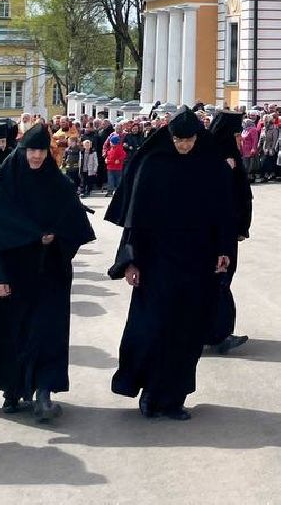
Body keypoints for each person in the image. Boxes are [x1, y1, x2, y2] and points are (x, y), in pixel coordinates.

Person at [107, 108, 235, 419]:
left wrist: (223, 251)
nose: (184, 146)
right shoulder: (153, 164)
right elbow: (135, 220)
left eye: (189, 140)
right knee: (153, 328)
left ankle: (175, 397)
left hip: (197, 261)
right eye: (179, 140)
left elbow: (223, 213)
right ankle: (150, 392)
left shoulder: (209, 164)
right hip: (157, 263)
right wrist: (130, 262)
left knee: (188, 331)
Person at [0, 123, 95, 421]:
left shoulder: (58, 184)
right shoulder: (6, 185)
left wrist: (55, 239)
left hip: (50, 272)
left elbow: (74, 227)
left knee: (47, 332)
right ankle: (12, 390)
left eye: (41, 151)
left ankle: (44, 393)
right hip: (13, 275)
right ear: (22, 151)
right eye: (31, 151)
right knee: (13, 334)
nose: (36, 157)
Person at [203, 111, 252, 356]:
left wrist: (241, 228)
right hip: (217, 235)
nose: (240, 138)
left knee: (220, 283)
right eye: (236, 134)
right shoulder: (215, 159)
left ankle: (213, 333)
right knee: (217, 283)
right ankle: (217, 335)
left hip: (229, 231)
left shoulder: (230, 156)